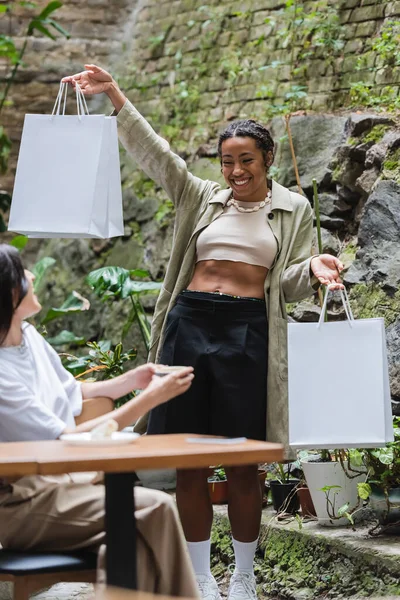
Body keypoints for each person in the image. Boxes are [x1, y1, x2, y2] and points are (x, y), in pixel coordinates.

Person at [63, 65, 344, 600]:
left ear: (267, 161)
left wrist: (313, 270)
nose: (236, 171)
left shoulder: (293, 209)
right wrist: (115, 95)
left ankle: (243, 576)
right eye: (228, 162)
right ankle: (200, 578)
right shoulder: (202, 198)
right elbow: (157, 155)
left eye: (246, 161)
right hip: (189, 326)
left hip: (248, 334)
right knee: (188, 462)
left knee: (244, 463)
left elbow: (287, 283)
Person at [0, 244, 198, 597]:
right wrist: (150, 400)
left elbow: (68, 390)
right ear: (12, 294)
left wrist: (131, 381)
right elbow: (65, 439)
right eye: (24, 274)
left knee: (132, 545)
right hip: (21, 504)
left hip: (63, 488)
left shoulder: (28, 337)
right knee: (156, 506)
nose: (33, 276)